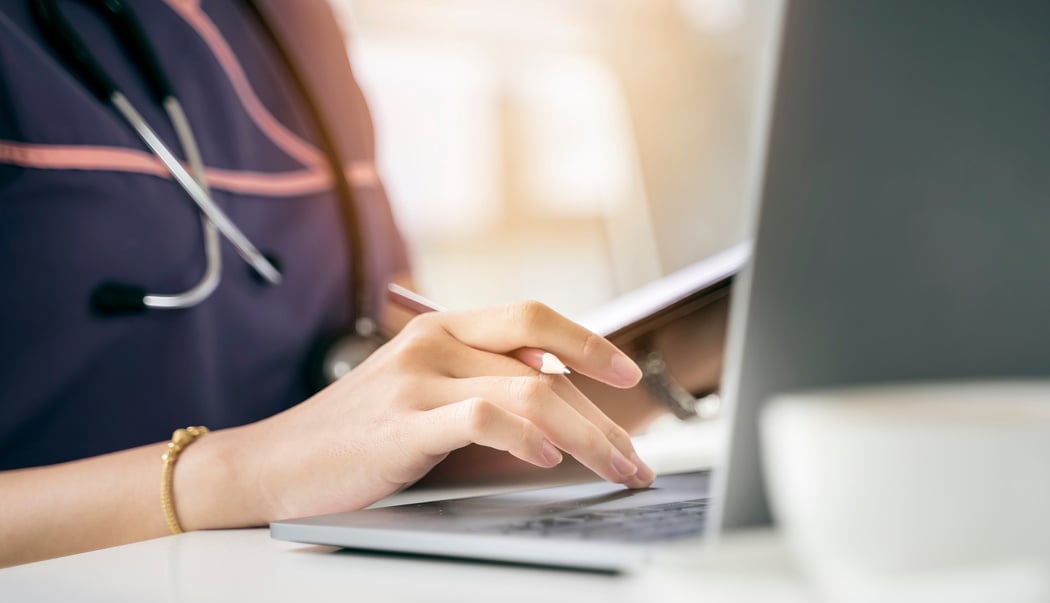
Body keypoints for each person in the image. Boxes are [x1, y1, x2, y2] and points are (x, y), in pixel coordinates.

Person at [0, 0, 727, 567]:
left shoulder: (292, 24)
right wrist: (244, 475)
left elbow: (384, 436)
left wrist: (709, 338)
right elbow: (291, 467)